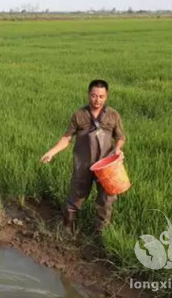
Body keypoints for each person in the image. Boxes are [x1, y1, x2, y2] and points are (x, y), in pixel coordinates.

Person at [40, 79, 126, 236]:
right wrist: (52, 152)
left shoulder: (113, 115)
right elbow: (66, 138)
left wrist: (118, 149)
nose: (97, 100)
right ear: (88, 95)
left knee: (106, 201)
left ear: (106, 96)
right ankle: (67, 230)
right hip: (83, 165)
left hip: (106, 167)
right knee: (76, 197)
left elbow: (120, 137)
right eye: (94, 96)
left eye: (101, 96)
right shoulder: (79, 115)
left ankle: (100, 234)